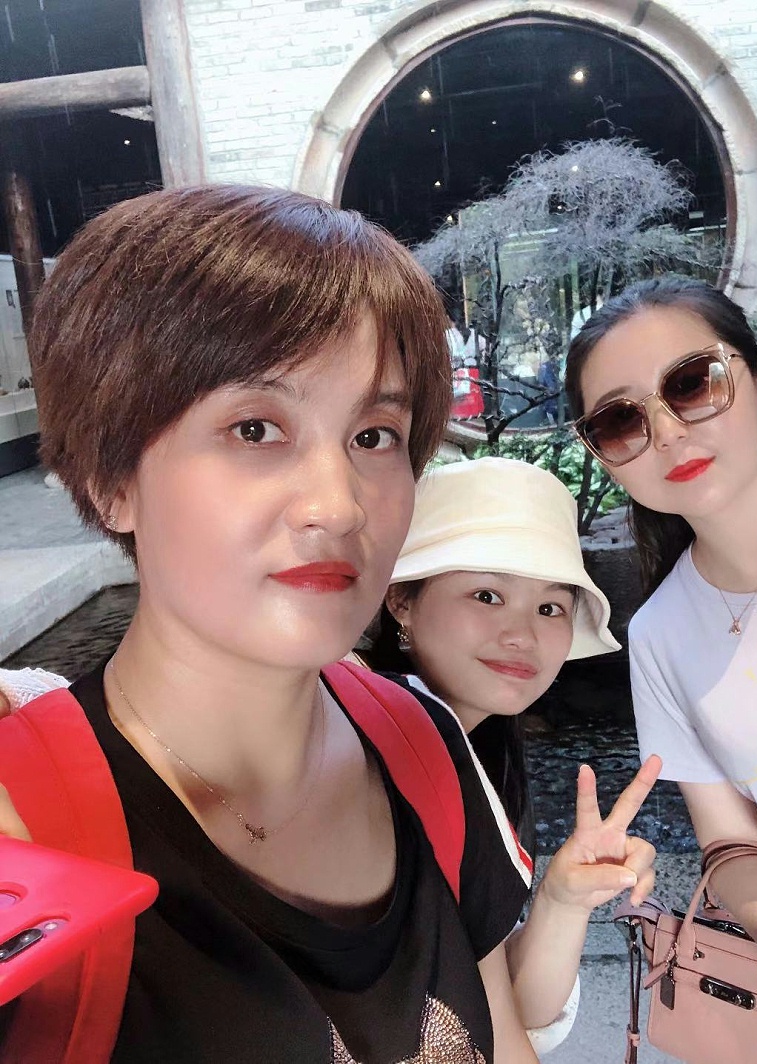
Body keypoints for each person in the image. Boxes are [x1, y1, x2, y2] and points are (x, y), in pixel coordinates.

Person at [0, 183, 555, 1064]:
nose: (339, 505)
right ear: (111, 481)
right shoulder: (20, 839)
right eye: (256, 428)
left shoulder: (422, 745)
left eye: (374, 436)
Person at [366, 456, 660, 1053]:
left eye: (550, 607)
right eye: (487, 595)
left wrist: (562, 899)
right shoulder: (377, 744)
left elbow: (514, 1008)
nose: (522, 635)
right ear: (400, 600)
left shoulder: (476, 751)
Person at [565, 275, 757, 988]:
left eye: (693, 384)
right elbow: (732, 841)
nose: (666, 432)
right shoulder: (661, 633)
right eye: (620, 421)